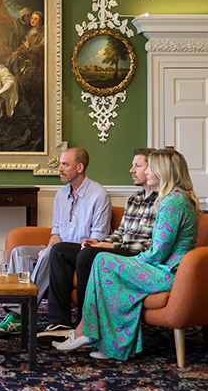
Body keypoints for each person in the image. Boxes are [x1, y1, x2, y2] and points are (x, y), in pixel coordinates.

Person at [54, 148, 200, 361]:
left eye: (152, 168)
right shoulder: (175, 199)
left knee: (103, 261)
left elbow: (158, 253)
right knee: (102, 259)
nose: (148, 173)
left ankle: (90, 331)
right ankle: (103, 339)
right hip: (163, 268)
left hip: (168, 273)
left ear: (164, 172)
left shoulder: (172, 203)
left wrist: (132, 261)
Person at [36, 148, 159, 344]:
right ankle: (59, 323)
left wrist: (106, 246)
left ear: (154, 169)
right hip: (120, 246)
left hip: (136, 254)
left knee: (87, 255)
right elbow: (120, 232)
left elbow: (150, 244)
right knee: (59, 251)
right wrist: (102, 242)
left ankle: (84, 325)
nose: (131, 170)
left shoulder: (164, 202)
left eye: (137, 165)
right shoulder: (135, 199)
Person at [0, 147, 111, 338]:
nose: (59, 169)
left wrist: (52, 250)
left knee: (51, 253)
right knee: (19, 252)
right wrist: (50, 245)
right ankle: (14, 307)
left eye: (65, 164)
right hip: (59, 249)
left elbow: (99, 238)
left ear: (79, 167)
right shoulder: (61, 195)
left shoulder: (99, 195)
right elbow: (56, 232)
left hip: (81, 252)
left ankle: (19, 316)